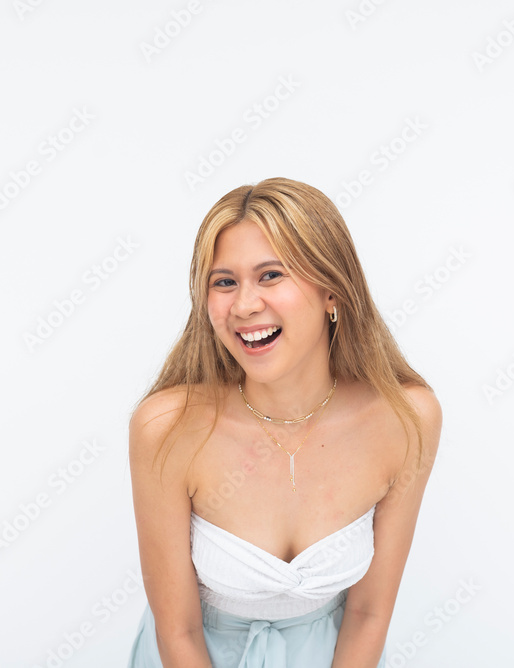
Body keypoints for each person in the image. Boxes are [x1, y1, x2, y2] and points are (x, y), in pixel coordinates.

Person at [126, 177, 442, 667]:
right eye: (224, 282)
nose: (244, 305)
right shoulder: (167, 428)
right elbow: (178, 630)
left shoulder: (406, 419)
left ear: (332, 291)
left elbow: (369, 614)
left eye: (271, 275)